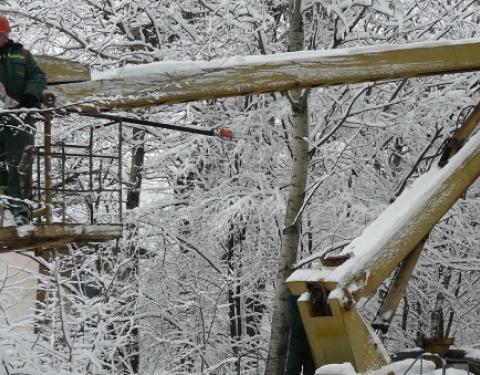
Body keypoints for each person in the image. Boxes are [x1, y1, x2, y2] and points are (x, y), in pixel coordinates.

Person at [0, 14, 46, 224]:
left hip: (19, 117)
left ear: (6, 34)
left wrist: (30, 97)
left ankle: (19, 209)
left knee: (18, 162)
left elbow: (38, 76)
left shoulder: (23, 55)